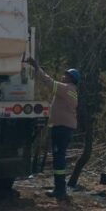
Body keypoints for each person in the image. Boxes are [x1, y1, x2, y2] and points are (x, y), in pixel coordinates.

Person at [26, 58, 79, 201]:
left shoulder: (66, 88)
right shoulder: (71, 90)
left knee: (59, 158)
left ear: (71, 78)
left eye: (66, 75)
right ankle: (60, 188)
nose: (63, 76)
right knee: (59, 157)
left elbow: (48, 82)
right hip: (64, 128)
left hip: (62, 128)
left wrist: (37, 67)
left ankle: (60, 189)